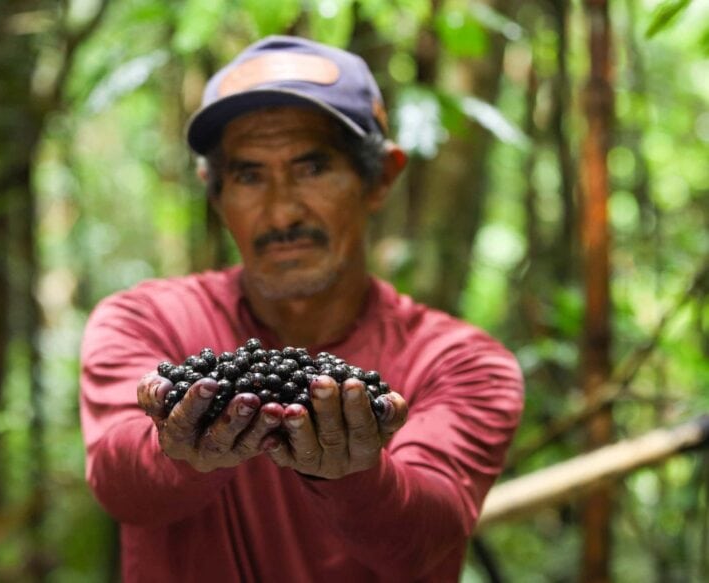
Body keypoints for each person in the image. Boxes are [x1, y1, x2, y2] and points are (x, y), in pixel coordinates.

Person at [80, 35, 524, 582]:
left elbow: (427, 538)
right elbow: (119, 484)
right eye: (248, 176)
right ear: (214, 193)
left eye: (312, 169)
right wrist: (175, 447)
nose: (281, 212)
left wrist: (354, 473)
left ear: (380, 178)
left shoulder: (462, 363)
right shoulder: (146, 321)